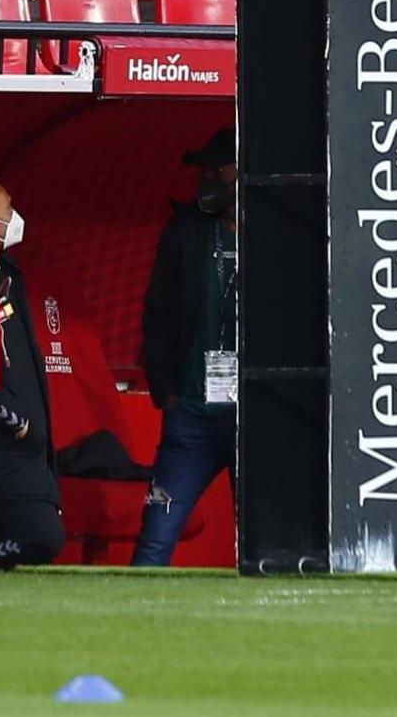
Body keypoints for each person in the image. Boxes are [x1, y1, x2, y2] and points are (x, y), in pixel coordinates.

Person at [132, 128, 237, 566]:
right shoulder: (185, 233)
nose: (207, 178)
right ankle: (125, 630)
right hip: (191, 416)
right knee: (156, 536)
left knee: (265, 542)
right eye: (204, 171)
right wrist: (167, 391)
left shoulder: (282, 234)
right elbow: (156, 313)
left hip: (257, 419)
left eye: (217, 169)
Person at [0, 182, 64, 571]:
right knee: (40, 536)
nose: (15, 217)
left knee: (32, 536)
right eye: (9, 208)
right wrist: (15, 419)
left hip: (33, 439)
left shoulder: (9, 276)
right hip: (3, 436)